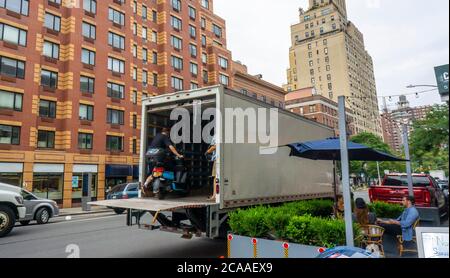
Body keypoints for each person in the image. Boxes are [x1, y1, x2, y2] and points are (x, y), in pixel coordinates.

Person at [143, 128, 183, 193]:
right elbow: (171, 147)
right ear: (167, 132)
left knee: (154, 172)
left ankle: (145, 184)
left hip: (150, 158)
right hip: (159, 158)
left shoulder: (157, 136)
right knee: (172, 167)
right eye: (169, 133)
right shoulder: (165, 137)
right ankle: (169, 186)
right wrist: (178, 155)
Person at [205, 134, 217, 201]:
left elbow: (215, 146)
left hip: (217, 159)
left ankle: (214, 195)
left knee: (215, 177)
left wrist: (207, 152)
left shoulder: (217, 135)